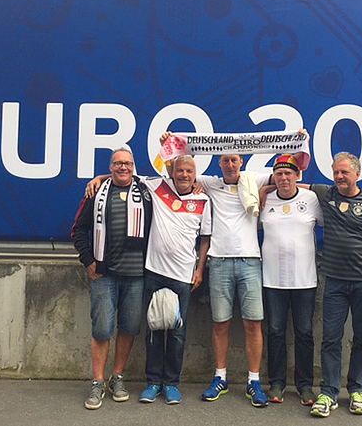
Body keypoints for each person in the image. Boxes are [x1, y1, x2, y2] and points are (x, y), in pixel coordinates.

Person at [160, 132, 272, 407]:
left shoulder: (254, 179)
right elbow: (173, 173)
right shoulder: (208, 183)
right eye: (225, 161)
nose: (230, 165)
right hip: (218, 262)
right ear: (219, 163)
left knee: (253, 324)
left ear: (241, 162)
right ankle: (220, 377)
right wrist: (168, 144)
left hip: (250, 263)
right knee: (220, 324)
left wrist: (298, 141)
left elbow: (290, 170)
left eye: (234, 160)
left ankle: (253, 381)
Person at [308, 152, 362, 418]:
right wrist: (263, 190)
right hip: (333, 281)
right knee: (330, 339)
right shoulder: (325, 194)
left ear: (358, 174)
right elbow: (288, 183)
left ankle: (357, 390)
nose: (339, 177)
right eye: (336, 172)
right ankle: (329, 392)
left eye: (344, 172)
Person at [72, 146, 152, 410]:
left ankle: (117, 377)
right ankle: (97, 381)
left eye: (127, 164)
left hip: (137, 276)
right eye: (118, 164)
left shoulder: (147, 193)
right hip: (104, 275)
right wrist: (88, 261)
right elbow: (78, 231)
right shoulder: (97, 193)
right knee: (102, 329)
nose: (123, 168)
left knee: (129, 328)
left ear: (133, 167)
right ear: (110, 167)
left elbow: (175, 182)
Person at [137, 155, 212, 405]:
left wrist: (199, 269)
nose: (184, 175)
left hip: (183, 275)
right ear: (173, 171)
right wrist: (99, 178)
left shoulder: (203, 200)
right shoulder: (159, 187)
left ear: (195, 174)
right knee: (154, 328)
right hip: (155, 271)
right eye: (179, 170)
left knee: (177, 332)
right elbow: (125, 175)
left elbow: (205, 239)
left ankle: (171, 383)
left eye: (189, 171)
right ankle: (152, 382)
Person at [259, 155, 323, 406]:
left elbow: (332, 224)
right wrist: (265, 190)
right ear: (274, 177)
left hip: (305, 280)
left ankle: (305, 385)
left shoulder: (311, 199)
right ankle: (276, 383)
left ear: (297, 175)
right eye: (279, 174)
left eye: (289, 174)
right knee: (275, 332)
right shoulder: (265, 200)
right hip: (272, 280)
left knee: (304, 333)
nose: (284, 178)